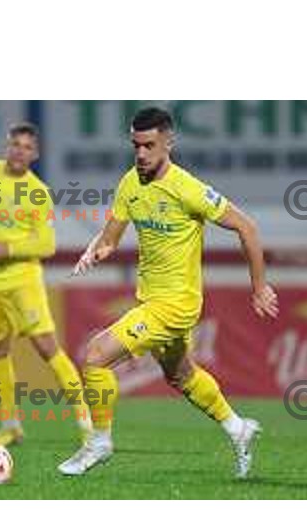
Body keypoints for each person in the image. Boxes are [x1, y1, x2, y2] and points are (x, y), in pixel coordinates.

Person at [58, 107, 278, 478]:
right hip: (151, 298)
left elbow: (247, 227)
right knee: (180, 376)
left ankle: (97, 444)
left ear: (168, 142)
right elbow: (111, 238)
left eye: (149, 145)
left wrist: (258, 287)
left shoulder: (187, 189)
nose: (141, 154)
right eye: (135, 146)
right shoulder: (130, 182)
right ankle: (237, 428)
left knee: (95, 356)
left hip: (177, 304)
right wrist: (96, 250)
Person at [0, 122, 93, 446]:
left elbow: (46, 244)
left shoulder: (37, 192)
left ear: (36, 154)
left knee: (47, 348)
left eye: (27, 147)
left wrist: (9, 249)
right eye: (15, 144)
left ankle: (87, 422)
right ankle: (10, 424)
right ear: (7, 146)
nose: (20, 151)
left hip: (23, 281)